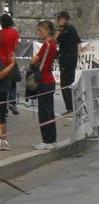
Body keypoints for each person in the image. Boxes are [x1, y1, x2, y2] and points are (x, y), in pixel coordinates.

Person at [31, 20, 58, 150]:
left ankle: (47, 140)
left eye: (40, 30)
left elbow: (34, 60)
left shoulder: (47, 45)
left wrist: (35, 61)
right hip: (49, 79)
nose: (39, 33)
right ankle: (52, 139)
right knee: (49, 111)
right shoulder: (53, 44)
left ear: (47, 30)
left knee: (44, 112)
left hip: (44, 80)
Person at [55, 10, 81, 115]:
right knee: (66, 83)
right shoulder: (69, 29)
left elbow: (55, 39)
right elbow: (79, 42)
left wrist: (75, 56)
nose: (61, 21)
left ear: (66, 19)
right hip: (68, 59)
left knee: (66, 84)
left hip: (68, 60)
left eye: (63, 19)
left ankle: (71, 107)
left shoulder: (68, 30)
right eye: (60, 19)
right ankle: (71, 106)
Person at [0, 14, 19, 117]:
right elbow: (15, 47)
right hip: (11, 61)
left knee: (2, 85)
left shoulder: (0, 33)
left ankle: (3, 109)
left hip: (0, 62)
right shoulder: (14, 32)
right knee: (12, 83)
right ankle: (12, 103)